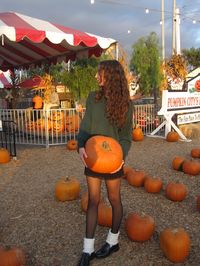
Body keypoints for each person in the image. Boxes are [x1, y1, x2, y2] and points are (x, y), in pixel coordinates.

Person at [77, 60, 133, 266]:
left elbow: (127, 137)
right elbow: (85, 127)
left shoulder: (127, 104)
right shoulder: (93, 98)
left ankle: (113, 241)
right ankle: (87, 250)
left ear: (110, 76)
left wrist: (122, 158)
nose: (95, 76)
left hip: (114, 160)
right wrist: (81, 145)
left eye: (99, 73)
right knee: (93, 201)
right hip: (92, 156)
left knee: (114, 199)